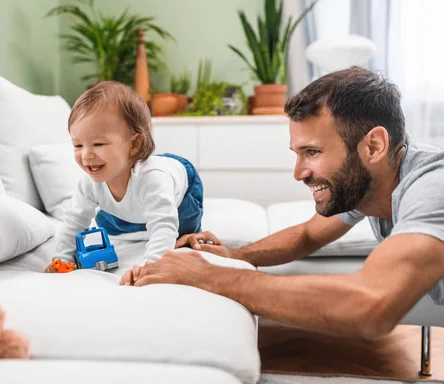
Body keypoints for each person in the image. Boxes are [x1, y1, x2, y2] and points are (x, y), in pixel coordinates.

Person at [123, 67, 444, 338]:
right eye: (298, 154)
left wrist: (208, 276)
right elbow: (309, 235)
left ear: (374, 146)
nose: (299, 172)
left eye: (313, 152)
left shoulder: (432, 186)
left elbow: (371, 305)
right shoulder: (374, 179)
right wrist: (235, 255)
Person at [45, 81, 203, 274]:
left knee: (179, 231)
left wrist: (151, 267)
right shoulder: (90, 183)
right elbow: (74, 221)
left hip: (182, 191)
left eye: (98, 144)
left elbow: (164, 225)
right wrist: (61, 260)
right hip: (128, 187)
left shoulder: (154, 179)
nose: (86, 155)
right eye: (78, 146)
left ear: (134, 145)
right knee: (108, 222)